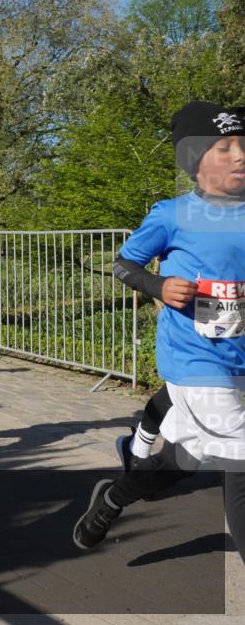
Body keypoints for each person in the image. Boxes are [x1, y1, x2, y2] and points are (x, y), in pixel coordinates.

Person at [73, 101, 245, 564]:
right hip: (194, 361)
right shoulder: (174, 214)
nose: (240, 155)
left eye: (243, 145)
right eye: (225, 147)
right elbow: (123, 264)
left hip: (237, 358)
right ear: (195, 160)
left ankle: (111, 500)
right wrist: (158, 285)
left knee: (185, 460)